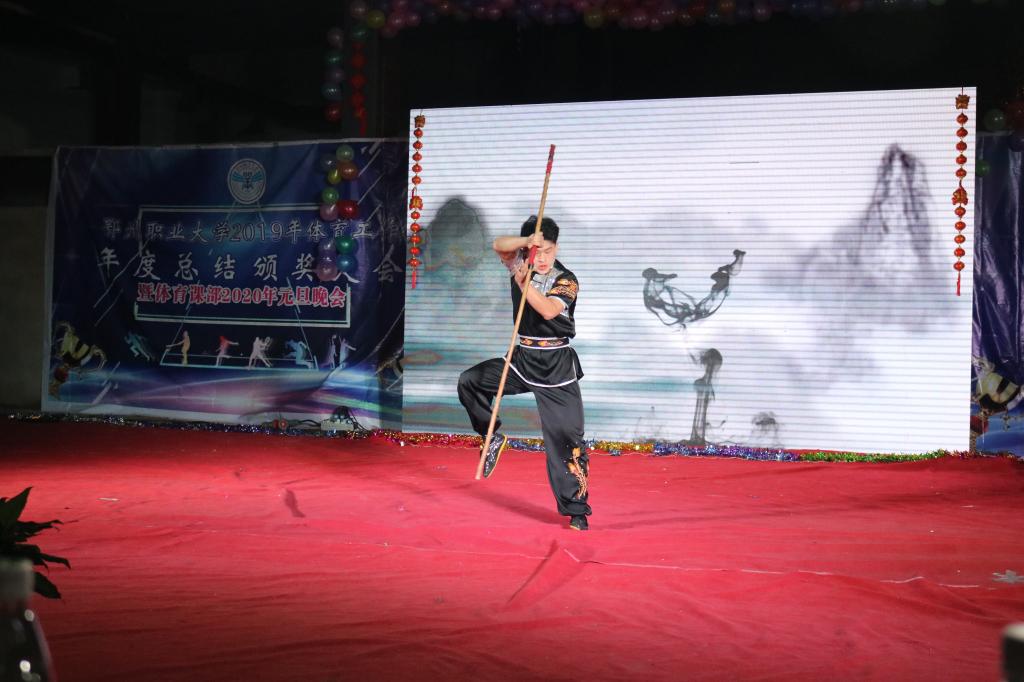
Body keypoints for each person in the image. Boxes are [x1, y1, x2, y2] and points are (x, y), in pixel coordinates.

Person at [457, 216, 591, 531]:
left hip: (556, 366)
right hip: (522, 359)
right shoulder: (521, 262)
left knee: (566, 440)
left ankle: (576, 510)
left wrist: (523, 283)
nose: (542, 258)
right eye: (537, 251)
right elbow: (498, 245)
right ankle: (491, 435)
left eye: (548, 251)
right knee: (470, 381)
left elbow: (547, 310)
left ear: (557, 248)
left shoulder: (566, 280)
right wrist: (524, 245)